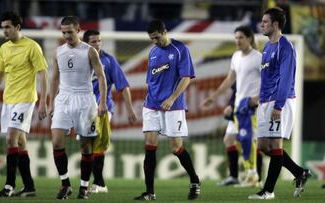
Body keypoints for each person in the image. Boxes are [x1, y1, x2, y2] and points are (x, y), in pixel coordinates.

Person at [0, 11, 48, 197]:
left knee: (10, 138)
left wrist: (44, 102)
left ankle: (9, 185)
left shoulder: (32, 47)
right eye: (3, 28)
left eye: (7, 27)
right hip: (9, 100)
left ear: (17, 27)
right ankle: (29, 187)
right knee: (21, 143)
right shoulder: (4, 49)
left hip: (25, 99)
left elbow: (43, 74)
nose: (4, 31)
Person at [248, 7, 311, 200]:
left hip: (279, 101)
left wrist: (279, 105)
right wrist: (259, 99)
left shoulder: (286, 47)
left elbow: (285, 79)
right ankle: (299, 172)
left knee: (276, 144)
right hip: (265, 101)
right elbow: (266, 79)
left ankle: (268, 191)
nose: (262, 25)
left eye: (265, 22)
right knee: (264, 146)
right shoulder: (267, 47)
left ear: (275, 24)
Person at [134, 19, 200, 201]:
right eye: (151, 39)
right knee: (149, 147)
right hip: (152, 105)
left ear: (164, 32)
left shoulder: (180, 50)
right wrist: (149, 101)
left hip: (173, 106)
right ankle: (149, 192)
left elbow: (186, 78)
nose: (154, 41)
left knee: (175, 147)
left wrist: (171, 98)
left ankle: (194, 180)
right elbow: (151, 81)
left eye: (156, 37)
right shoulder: (153, 52)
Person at [48, 16, 107, 200]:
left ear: (78, 30)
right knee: (57, 141)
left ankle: (83, 186)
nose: (66, 35)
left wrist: (103, 102)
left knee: (85, 145)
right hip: (63, 99)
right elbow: (55, 77)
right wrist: (51, 102)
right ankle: (65, 184)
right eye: (63, 32)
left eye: (70, 32)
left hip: (85, 100)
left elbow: (101, 77)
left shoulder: (89, 51)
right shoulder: (58, 51)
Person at [202, 26, 262, 188]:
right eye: (236, 38)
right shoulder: (236, 56)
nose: (237, 41)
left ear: (249, 38)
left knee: (248, 140)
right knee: (229, 138)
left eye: (241, 37)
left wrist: (257, 99)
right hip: (237, 107)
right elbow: (230, 80)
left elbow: (269, 82)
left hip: (251, 108)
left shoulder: (259, 58)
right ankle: (236, 176)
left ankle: (254, 176)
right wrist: (214, 97)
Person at [83, 29, 137, 194]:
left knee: (98, 143)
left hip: (103, 107)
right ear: (86, 43)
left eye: (99, 41)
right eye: (94, 42)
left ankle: (99, 184)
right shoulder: (79, 59)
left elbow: (123, 86)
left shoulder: (109, 60)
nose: (98, 44)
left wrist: (129, 109)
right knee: (86, 146)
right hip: (83, 107)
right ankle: (96, 183)